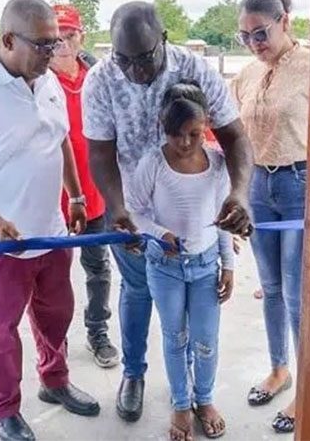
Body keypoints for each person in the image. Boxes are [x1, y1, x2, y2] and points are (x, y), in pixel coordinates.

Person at [82, 1, 254, 423]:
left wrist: (240, 193)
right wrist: (118, 208)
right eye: (122, 58)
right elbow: (100, 153)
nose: (133, 70)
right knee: (137, 292)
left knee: (199, 320)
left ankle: (200, 392)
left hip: (192, 214)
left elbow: (235, 137)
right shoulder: (101, 80)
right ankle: (134, 374)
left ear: (163, 40)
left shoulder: (195, 70)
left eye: (143, 58)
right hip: (134, 211)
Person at [0, 0, 100, 441]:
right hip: (3, 243)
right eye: (44, 45)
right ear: (8, 39)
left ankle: (55, 380)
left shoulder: (43, 79)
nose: (54, 54)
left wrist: (78, 196)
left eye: (58, 43)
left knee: (57, 314)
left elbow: (60, 138)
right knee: (0, 331)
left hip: (53, 230)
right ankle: (5, 408)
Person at [129, 81, 234, 440]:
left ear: (206, 125)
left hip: (206, 267)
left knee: (206, 339)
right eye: (176, 134)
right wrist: (159, 234)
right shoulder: (153, 163)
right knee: (175, 338)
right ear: (163, 127)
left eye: (194, 133)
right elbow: (136, 212)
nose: (185, 142)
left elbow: (222, 219)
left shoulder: (218, 165)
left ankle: (203, 399)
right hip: (165, 268)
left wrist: (229, 266)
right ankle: (179, 401)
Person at [230, 0, 310, 435]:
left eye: (261, 32)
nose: (254, 43)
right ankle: (280, 370)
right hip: (257, 185)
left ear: (285, 21)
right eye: (244, 36)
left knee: (297, 294)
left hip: (299, 184)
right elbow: (231, 133)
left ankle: (308, 386)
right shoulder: (245, 74)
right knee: (271, 287)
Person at [49, 4, 120, 368]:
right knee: (53, 279)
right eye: (56, 36)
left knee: (98, 269)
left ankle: (98, 332)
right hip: (51, 201)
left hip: (94, 196)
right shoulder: (37, 81)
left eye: (70, 34)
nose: (62, 43)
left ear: (82, 36)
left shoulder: (97, 77)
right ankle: (53, 348)